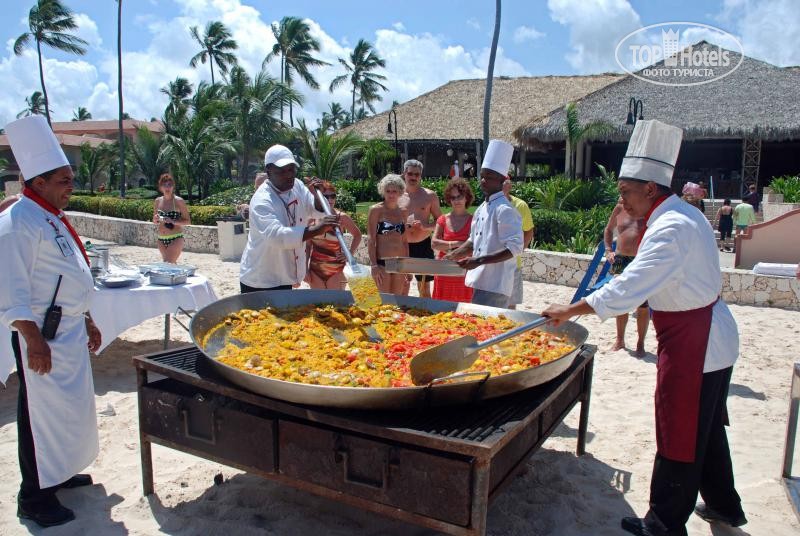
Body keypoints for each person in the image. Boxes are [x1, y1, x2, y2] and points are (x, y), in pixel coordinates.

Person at [542, 120, 745, 536]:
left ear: (650, 188)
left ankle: (664, 523)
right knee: (706, 428)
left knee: (679, 427)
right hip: (707, 334)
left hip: (696, 341)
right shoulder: (682, 214)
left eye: (625, 192)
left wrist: (572, 309)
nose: (621, 201)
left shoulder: (671, 228)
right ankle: (724, 505)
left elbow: (631, 285)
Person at [1, 115, 103, 527]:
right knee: (38, 415)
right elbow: (10, 290)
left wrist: (88, 318)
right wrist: (33, 341)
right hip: (42, 336)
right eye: (63, 180)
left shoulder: (50, 215)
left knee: (68, 411)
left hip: (69, 331)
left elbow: (69, 273)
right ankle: (34, 497)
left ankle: (59, 472)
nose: (70, 186)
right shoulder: (17, 222)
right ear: (39, 182)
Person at [239, 145, 339, 293]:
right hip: (260, 280)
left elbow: (313, 209)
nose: (288, 175)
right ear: (268, 171)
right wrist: (318, 229)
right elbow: (277, 236)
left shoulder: (297, 185)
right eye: (281, 171)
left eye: (291, 169)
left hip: (284, 277)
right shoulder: (262, 200)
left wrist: (318, 197)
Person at [446, 140, 523, 308]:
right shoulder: (482, 207)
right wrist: (455, 253)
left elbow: (515, 248)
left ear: (502, 180)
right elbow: (474, 241)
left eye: (489, 177)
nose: (483, 180)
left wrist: (479, 260)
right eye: (481, 175)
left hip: (496, 284)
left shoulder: (504, 209)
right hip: (479, 280)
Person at [603, 198, 649, 356]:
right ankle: (620, 340)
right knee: (621, 301)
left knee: (642, 305)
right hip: (621, 259)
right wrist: (608, 250)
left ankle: (640, 343)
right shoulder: (619, 208)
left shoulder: (647, 208)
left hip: (640, 260)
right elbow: (608, 229)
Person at [305, 181, 362, 290]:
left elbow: (357, 235)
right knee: (318, 301)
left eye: (333, 196)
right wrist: (305, 269)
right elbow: (307, 246)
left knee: (337, 301)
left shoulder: (341, 217)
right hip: (315, 269)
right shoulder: (311, 219)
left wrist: (349, 254)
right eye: (326, 197)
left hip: (337, 269)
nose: (330, 200)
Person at [398, 159, 442, 298]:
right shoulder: (396, 195)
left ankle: (424, 311)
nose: (413, 177)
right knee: (401, 286)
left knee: (424, 288)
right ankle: (402, 311)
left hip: (423, 245)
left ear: (421, 175)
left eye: (417, 174)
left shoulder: (429, 196)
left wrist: (425, 226)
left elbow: (441, 222)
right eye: (410, 173)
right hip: (401, 245)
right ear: (404, 174)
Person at [431, 178, 474, 302]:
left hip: (464, 270)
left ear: (466, 198)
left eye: (459, 196)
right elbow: (434, 244)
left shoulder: (474, 220)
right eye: (453, 197)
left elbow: (474, 246)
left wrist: (446, 245)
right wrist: (459, 243)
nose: (456, 200)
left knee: (464, 309)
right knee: (441, 309)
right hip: (444, 270)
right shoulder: (442, 219)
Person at [368, 174, 409, 295]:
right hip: (382, 263)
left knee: (396, 301)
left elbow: (404, 241)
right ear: (383, 191)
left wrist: (407, 266)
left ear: (400, 192)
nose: (391, 195)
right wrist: (374, 265)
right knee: (384, 301)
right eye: (388, 191)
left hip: (399, 264)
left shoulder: (403, 211)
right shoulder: (376, 210)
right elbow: (371, 240)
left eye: (394, 191)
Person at [502, 178, 534, 309]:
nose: (502, 185)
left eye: (505, 182)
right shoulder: (488, 204)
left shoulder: (520, 205)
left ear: (510, 186)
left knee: (511, 304)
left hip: (513, 263)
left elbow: (528, 231)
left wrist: (518, 251)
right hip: (492, 264)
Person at [152, 174, 190, 263]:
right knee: (170, 264)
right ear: (160, 187)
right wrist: (155, 219)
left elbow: (188, 221)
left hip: (175, 238)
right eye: (164, 185)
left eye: (169, 184)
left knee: (168, 263)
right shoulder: (158, 201)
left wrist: (173, 221)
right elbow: (155, 221)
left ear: (173, 187)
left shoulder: (179, 201)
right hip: (161, 239)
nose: (167, 187)